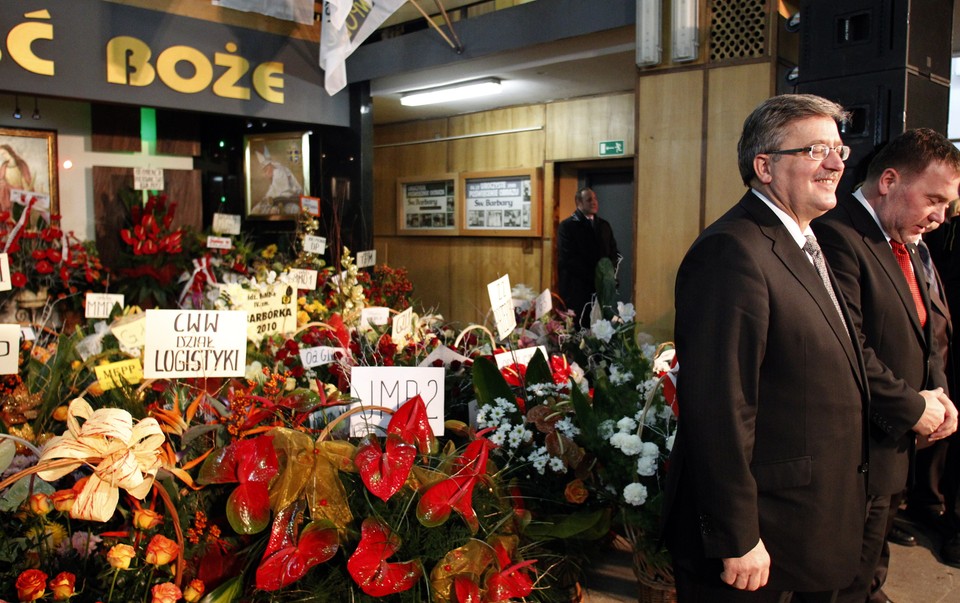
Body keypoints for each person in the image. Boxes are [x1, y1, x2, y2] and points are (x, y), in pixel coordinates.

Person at [665, 93, 870, 601]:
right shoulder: (733, 250)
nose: (835, 164)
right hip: (763, 533)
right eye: (816, 149)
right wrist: (738, 534)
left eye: (840, 151)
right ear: (765, 166)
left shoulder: (807, 239)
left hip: (809, 516)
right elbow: (718, 406)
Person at [812, 127, 960, 603]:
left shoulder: (908, 236)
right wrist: (914, 407)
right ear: (890, 180)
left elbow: (929, 326)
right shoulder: (836, 235)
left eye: (948, 205)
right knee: (843, 571)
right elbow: (847, 348)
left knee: (872, 558)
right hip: (853, 443)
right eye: (934, 200)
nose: (941, 217)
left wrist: (938, 397)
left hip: (897, 434)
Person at [556, 187, 619, 326]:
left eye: (595, 199)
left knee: (601, 327)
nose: (594, 202)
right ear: (579, 202)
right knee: (580, 328)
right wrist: (595, 277)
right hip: (578, 289)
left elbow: (613, 252)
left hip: (602, 289)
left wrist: (608, 274)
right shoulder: (567, 227)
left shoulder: (603, 225)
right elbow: (569, 259)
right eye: (589, 199)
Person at [0, 144, 34, 214]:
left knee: (19, 214)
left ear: (9, 152)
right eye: (2, 155)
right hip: (7, 194)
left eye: (4, 153)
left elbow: (27, 180)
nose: (4, 156)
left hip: (19, 193)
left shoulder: (20, 164)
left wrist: (27, 190)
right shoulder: (4, 166)